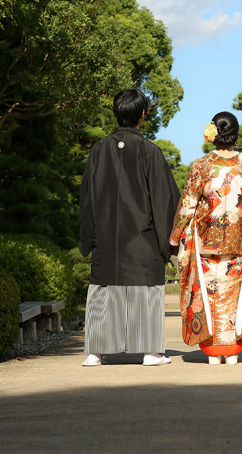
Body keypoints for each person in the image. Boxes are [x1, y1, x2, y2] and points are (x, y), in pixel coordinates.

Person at [79, 88, 180, 366]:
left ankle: (95, 352)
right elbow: (164, 201)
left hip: (107, 238)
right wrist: (169, 243)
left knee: (102, 290)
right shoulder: (150, 151)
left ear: (117, 113)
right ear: (142, 115)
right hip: (143, 239)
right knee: (145, 292)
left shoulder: (99, 150)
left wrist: (88, 237)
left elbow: (87, 198)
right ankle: (150, 351)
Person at [170, 111, 242, 365]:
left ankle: (213, 351)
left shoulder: (201, 166)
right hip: (239, 243)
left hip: (206, 242)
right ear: (236, 135)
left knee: (208, 292)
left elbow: (187, 205)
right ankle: (233, 350)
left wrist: (175, 237)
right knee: (235, 293)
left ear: (213, 136)